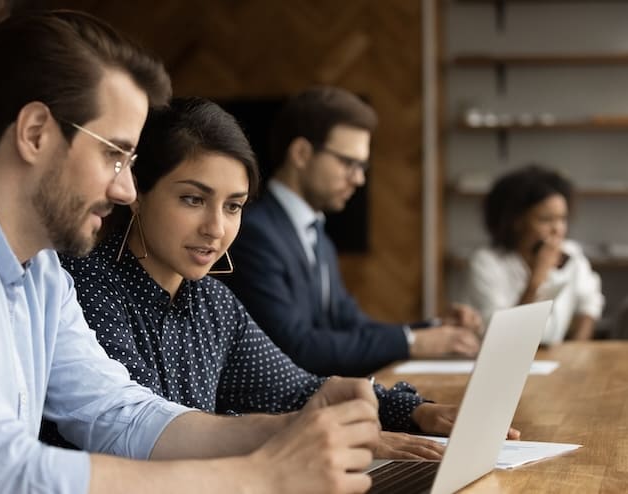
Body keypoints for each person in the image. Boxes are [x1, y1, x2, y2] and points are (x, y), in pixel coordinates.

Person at [0, 11, 381, 493]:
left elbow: (118, 414)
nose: (126, 190)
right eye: (116, 155)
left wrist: (290, 431)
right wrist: (258, 477)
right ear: (36, 132)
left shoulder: (38, 269)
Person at [56, 97, 467, 461]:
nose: (216, 228)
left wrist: (415, 411)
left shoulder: (212, 301)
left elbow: (293, 390)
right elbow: (145, 433)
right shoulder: (87, 286)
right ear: (137, 192)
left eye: (233, 206)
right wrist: (298, 432)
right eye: (193, 199)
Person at [223, 86, 481, 377]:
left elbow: (352, 325)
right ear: (302, 153)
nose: (358, 179)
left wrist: (435, 330)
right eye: (349, 163)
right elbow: (294, 347)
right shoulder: (253, 233)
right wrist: (413, 342)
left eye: (362, 166)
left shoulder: (318, 236)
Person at [464, 164, 604, 344]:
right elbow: (505, 337)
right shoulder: (486, 263)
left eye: (562, 219)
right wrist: (537, 279)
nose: (558, 230)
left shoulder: (572, 254)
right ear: (516, 221)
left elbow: (589, 303)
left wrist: (578, 348)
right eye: (546, 220)